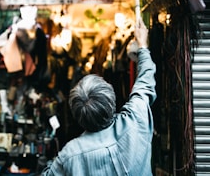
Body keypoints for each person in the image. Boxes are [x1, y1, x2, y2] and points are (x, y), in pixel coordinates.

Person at [41, 18, 157, 175]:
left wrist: (52, 163)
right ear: (112, 100)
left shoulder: (69, 155)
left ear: (78, 117)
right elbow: (145, 80)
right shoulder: (135, 120)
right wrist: (142, 45)